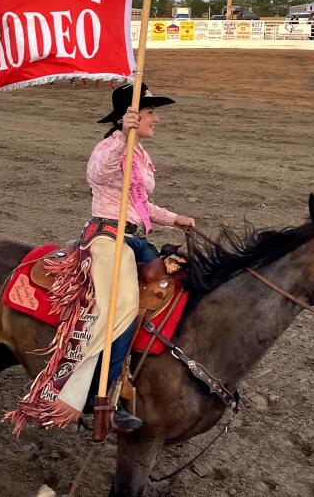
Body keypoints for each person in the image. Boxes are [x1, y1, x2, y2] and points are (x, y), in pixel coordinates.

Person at [85, 83, 195, 430]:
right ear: (129, 117)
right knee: (123, 307)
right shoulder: (110, 147)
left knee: (174, 288)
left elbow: (140, 203)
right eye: (150, 113)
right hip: (106, 236)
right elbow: (97, 174)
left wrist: (174, 219)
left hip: (135, 239)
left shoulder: (141, 155)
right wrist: (122, 135)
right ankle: (100, 396)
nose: (156, 119)